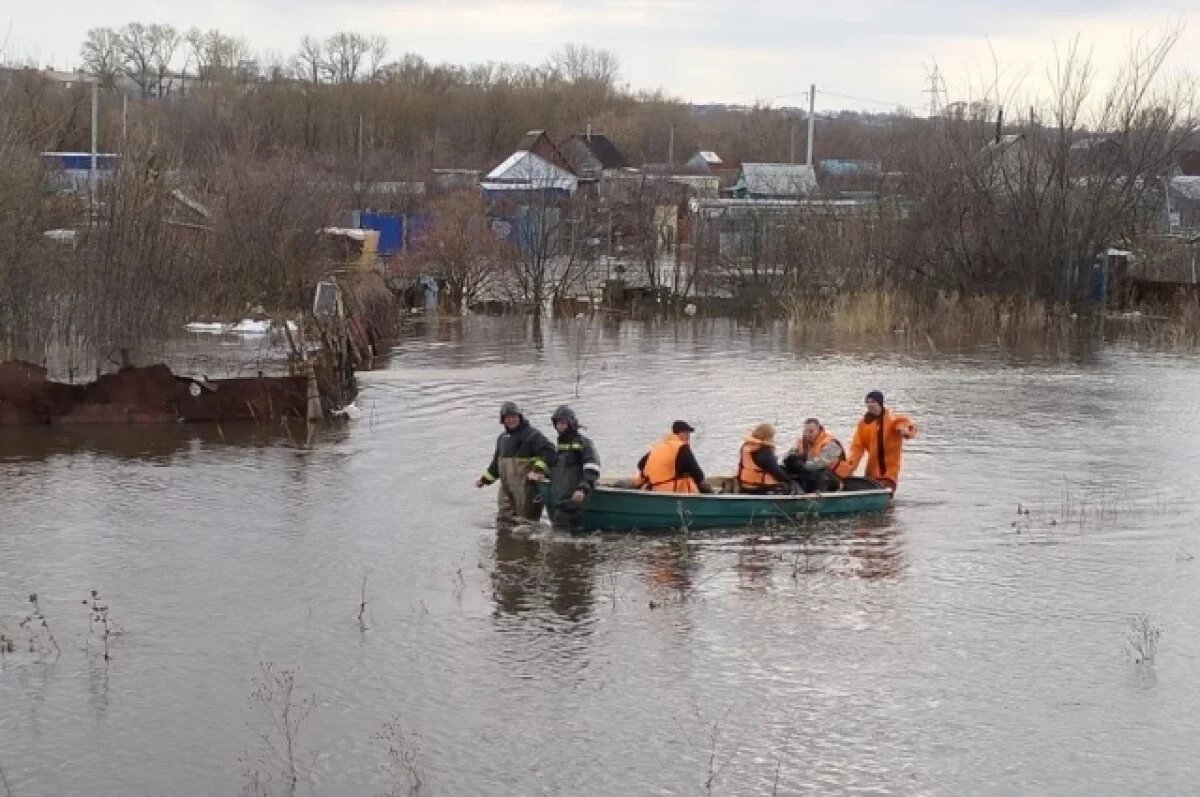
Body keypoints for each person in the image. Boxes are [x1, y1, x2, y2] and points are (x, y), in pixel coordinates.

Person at [476, 401, 556, 526]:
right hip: (506, 489)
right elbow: (496, 464)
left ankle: (528, 545)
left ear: (520, 417)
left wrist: (536, 470)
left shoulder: (533, 435)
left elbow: (550, 452)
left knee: (527, 525)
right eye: (507, 417)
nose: (511, 420)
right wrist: (484, 480)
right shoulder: (502, 438)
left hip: (527, 489)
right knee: (504, 522)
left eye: (514, 416)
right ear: (503, 420)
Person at [844, 390, 916, 490]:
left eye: (873, 402)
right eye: (867, 402)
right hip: (872, 471)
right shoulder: (863, 424)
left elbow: (904, 423)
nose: (870, 404)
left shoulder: (891, 417)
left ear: (880, 403)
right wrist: (847, 469)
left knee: (886, 491)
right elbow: (856, 449)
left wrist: (906, 430)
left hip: (889, 472)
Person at [545, 405, 601, 531]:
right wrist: (542, 473)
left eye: (563, 423)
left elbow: (592, 468)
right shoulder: (559, 446)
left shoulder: (584, 443)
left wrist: (582, 489)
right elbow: (557, 470)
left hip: (573, 500)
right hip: (559, 500)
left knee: (560, 538)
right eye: (558, 423)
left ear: (571, 423)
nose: (560, 426)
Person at [634, 420, 711, 493]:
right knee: (695, 482)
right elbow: (698, 474)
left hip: (652, 489)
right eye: (687, 433)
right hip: (671, 492)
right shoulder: (682, 447)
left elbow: (640, 464)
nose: (689, 437)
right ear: (680, 434)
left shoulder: (658, 446)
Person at [784, 417, 851, 493]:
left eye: (811, 431)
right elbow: (788, 455)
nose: (808, 434)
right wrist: (792, 459)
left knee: (819, 472)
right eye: (806, 431)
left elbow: (820, 463)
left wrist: (802, 465)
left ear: (818, 430)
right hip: (811, 475)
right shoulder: (801, 442)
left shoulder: (831, 443)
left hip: (834, 479)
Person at [735, 423, 795, 494]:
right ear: (767, 437)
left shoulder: (746, 446)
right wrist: (790, 481)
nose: (773, 439)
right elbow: (777, 473)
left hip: (745, 487)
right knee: (789, 486)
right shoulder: (764, 451)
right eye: (772, 437)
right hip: (759, 489)